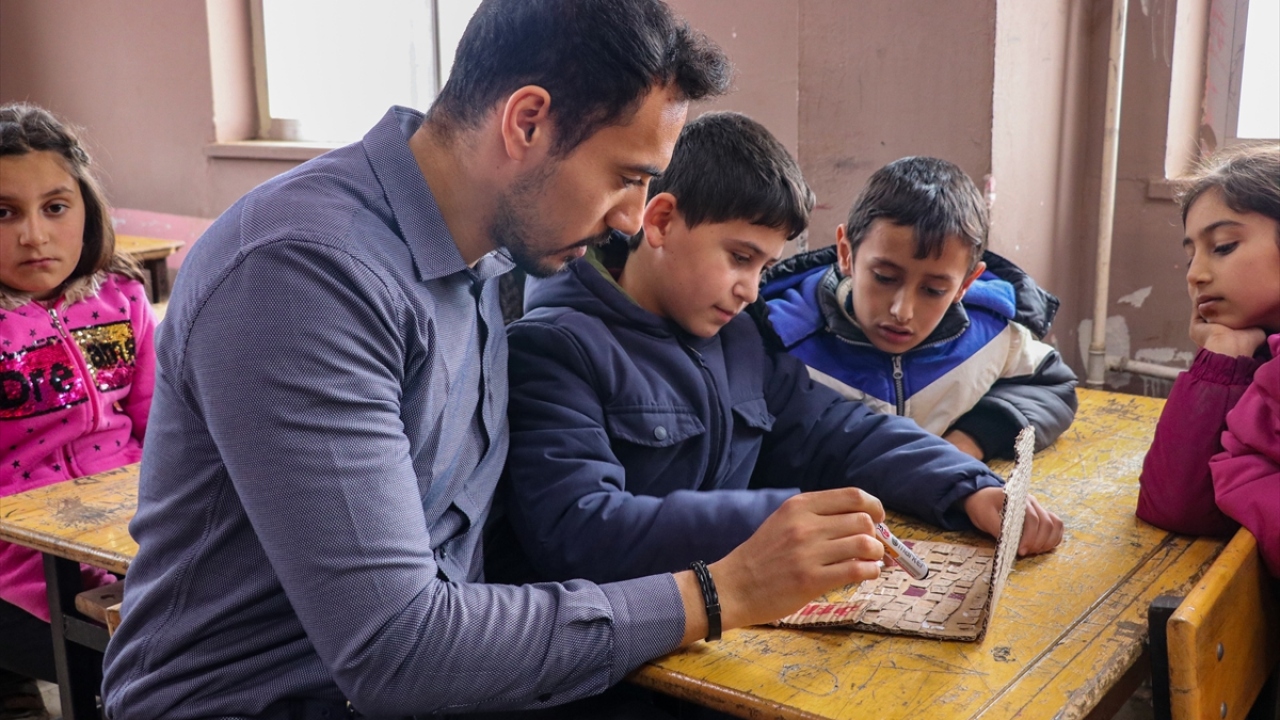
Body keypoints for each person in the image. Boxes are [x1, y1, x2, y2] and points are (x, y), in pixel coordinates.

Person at [101, 2, 899, 717]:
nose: (630, 219)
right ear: (527, 123)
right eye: (625, 177)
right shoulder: (303, 273)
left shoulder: (486, 257)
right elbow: (399, 650)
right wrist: (723, 591)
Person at [496, 114, 1063, 589]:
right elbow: (579, 531)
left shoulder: (737, 336)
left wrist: (969, 486)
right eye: (740, 258)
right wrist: (776, 520)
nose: (751, 289)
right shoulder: (556, 346)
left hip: (734, 627)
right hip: (623, 654)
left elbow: (836, 428)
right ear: (662, 221)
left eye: (765, 267)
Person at [759, 156, 1078, 461]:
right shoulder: (780, 343)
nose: (903, 310)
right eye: (884, 278)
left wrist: (970, 440)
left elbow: (1053, 387)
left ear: (966, 284)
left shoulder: (991, 333)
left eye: (934, 290)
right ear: (846, 253)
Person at [0, 103, 155, 719]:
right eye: (3, 213)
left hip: (126, 521)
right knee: (121, 653)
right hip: (19, 550)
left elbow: (162, 424)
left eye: (55, 207)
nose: (34, 235)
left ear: (86, 210)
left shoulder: (121, 296)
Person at [1136, 144, 1280, 577]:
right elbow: (1178, 506)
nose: (1194, 274)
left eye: (1222, 246)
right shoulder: (1262, 357)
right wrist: (1224, 354)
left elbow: (1181, 507)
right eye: (1190, 255)